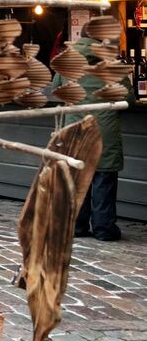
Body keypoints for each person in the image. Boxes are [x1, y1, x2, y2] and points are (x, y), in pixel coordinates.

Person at [57, 34, 126, 241]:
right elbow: (129, 98)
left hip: (76, 129)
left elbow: (56, 90)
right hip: (104, 130)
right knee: (103, 178)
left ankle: (77, 226)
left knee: (79, 177)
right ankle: (104, 229)